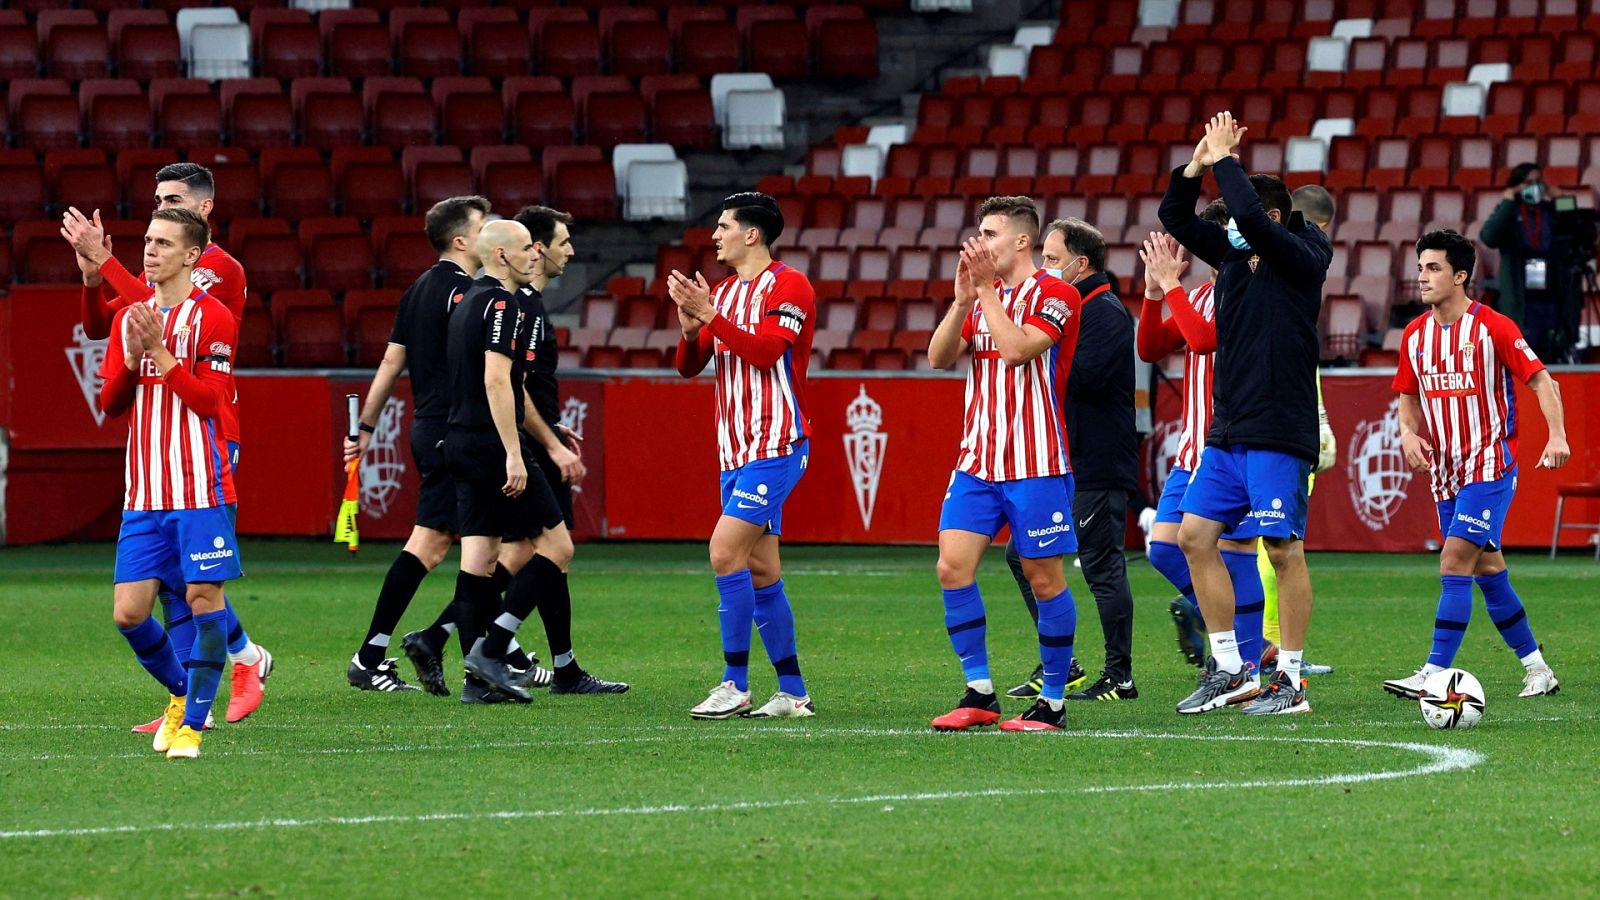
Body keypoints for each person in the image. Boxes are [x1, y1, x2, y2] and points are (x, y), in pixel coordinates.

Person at [62, 162, 273, 730]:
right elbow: (104, 326)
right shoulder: (162, 266)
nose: (160, 210)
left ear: (202, 211)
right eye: (156, 202)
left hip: (209, 441)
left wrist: (107, 264)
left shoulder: (219, 270)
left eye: (172, 200)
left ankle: (244, 662)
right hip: (153, 456)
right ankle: (190, 696)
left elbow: (159, 314)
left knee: (192, 585)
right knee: (163, 593)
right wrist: (91, 277)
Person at [1159, 111, 1331, 716]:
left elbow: (1252, 221)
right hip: (1228, 428)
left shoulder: (1305, 252)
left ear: (1273, 217)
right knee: (1192, 535)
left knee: (1283, 550)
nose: (1229, 228)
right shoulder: (1236, 256)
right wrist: (1196, 166)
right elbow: (1175, 218)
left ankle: (1290, 679)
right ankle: (1230, 667)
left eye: (1237, 216)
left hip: (1279, 427)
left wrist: (1228, 161)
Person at [1382, 229, 1566, 699]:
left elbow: (1544, 382)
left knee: (1454, 560)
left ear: (1460, 275)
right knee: (1487, 569)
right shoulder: (1415, 334)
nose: (1422, 276)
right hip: (1444, 471)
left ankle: (1434, 672)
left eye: (1434, 267)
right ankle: (1538, 668)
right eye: (1420, 266)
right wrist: (1406, 434)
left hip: (1489, 464)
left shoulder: (1494, 327)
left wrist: (1557, 436)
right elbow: (1406, 395)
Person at [925, 196, 1084, 732]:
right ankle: (980, 691)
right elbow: (939, 357)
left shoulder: (1056, 294)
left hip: (1036, 460)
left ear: (1021, 240)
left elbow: (1017, 350)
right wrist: (960, 301)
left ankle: (1054, 703)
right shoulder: (980, 297)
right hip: (977, 459)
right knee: (952, 566)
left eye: (989, 233)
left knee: (1044, 580)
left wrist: (987, 291)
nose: (979, 243)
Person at [97, 208, 241, 759]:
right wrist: (134, 360)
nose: (150, 251)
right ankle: (183, 693)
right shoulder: (127, 319)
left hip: (200, 487)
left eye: (163, 243)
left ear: (192, 255)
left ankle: (193, 729)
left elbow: (210, 401)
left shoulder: (214, 318)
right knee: (129, 614)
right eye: (147, 241)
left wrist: (162, 355)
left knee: (205, 600)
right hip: (144, 493)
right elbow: (111, 406)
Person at [669, 192, 817, 721]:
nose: (715, 235)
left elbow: (766, 351)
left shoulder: (790, 285)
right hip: (734, 448)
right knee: (759, 569)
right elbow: (690, 365)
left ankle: (734, 682)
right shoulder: (727, 292)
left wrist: (710, 314)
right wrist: (692, 327)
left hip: (777, 443)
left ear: (752, 234)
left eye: (723, 225)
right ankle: (794, 693)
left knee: (723, 552)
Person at [343, 196, 489, 693]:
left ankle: (392, 650)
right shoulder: (470, 295)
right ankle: (479, 651)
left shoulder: (418, 290)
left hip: (427, 425)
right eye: (483, 227)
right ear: (462, 240)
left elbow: (390, 364)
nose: (491, 235)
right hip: (457, 429)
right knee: (483, 546)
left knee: (449, 544)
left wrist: (365, 428)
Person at [435, 219, 576, 704]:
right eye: (524, 250)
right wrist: (515, 452)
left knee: (478, 562)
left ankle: (478, 684)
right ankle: (493, 650)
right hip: (492, 443)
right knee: (557, 549)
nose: (534, 256)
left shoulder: (465, 301)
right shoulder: (501, 304)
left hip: (458, 440)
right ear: (500, 256)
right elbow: (499, 380)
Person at [1004, 217, 1137, 702]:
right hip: (1066, 458)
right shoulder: (1073, 308)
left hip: (1097, 460)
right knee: (1021, 555)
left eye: (1054, 259)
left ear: (1082, 265)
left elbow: (1080, 379)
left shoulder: (1104, 312)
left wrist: (1040, 341)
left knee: (1102, 566)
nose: (1044, 266)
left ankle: (1120, 676)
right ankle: (1064, 661)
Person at [1137, 209, 1268, 683]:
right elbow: (1151, 348)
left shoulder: (1251, 291)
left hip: (1239, 448)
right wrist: (1155, 293)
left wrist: (1171, 287)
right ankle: (1233, 635)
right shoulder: (1198, 296)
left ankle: (1247, 666)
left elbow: (1204, 340)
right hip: (1194, 450)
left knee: (1236, 549)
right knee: (1165, 549)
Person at [1480, 163, 1584, 362]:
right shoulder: (1509, 213)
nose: (1534, 187)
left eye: (1538, 182)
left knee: (1552, 355)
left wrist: (1562, 198)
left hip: (1552, 298)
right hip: (1522, 301)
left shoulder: (1550, 211)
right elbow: (1488, 237)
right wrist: (1508, 202)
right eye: (1528, 183)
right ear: (1517, 186)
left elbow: (1577, 223)